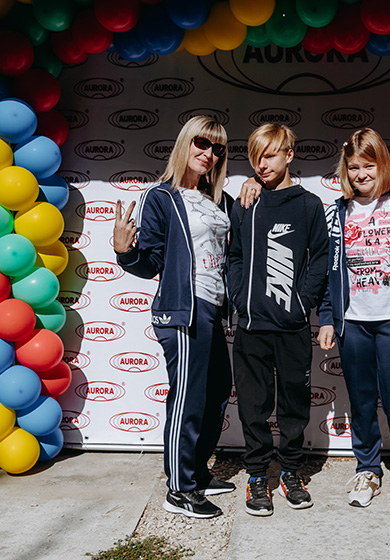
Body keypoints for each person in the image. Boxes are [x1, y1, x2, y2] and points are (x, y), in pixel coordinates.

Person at [113, 115, 235, 519]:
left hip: (213, 309)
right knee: (188, 396)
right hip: (183, 310)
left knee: (216, 392)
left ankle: (196, 472)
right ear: (186, 142)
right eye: (202, 143)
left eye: (218, 148)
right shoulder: (162, 197)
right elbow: (149, 263)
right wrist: (124, 251)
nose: (209, 153)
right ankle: (179, 489)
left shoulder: (219, 200)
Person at [317, 128, 390, 512]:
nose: (361, 174)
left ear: (382, 164)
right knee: (362, 399)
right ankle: (367, 469)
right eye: (353, 167)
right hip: (353, 322)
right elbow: (330, 272)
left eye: (368, 165)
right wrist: (328, 318)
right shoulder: (336, 213)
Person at [228, 123, 329, 517]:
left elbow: (320, 258)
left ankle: (290, 471)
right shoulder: (246, 203)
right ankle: (257, 475)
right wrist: (240, 298)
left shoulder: (309, 205)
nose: (262, 164)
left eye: (270, 155)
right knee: (253, 407)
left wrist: (303, 303)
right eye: (256, 157)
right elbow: (235, 256)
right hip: (252, 327)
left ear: (289, 154)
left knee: (294, 407)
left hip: (293, 327)